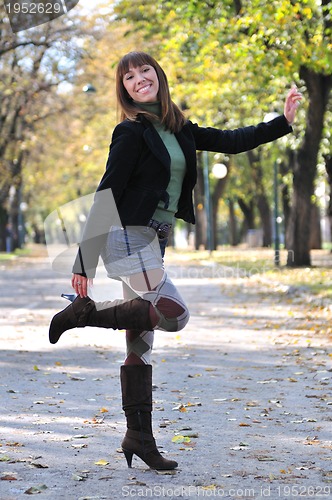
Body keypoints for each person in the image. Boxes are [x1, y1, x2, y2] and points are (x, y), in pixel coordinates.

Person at [49, 51, 302, 471]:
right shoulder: (129, 133)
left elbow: (232, 140)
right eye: (129, 77)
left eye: (144, 70)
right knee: (175, 314)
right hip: (127, 238)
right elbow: (107, 191)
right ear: (125, 89)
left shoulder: (179, 128)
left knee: (140, 345)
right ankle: (85, 313)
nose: (139, 79)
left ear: (158, 76)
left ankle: (139, 438)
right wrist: (83, 261)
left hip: (153, 242)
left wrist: (284, 122)